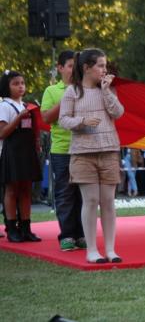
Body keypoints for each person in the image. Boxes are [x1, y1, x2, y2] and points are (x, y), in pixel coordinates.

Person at [58, 49, 124, 262]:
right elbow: (63, 120)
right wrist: (82, 122)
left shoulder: (109, 89)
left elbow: (118, 112)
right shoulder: (72, 92)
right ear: (87, 68)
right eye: (101, 66)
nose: (105, 70)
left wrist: (106, 91)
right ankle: (92, 251)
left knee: (108, 201)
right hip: (83, 153)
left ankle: (111, 250)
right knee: (91, 200)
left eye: (105, 66)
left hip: (109, 150)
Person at [41, 50, 87, 250]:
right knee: (65, 193)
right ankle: (67, 235)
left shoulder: (86, 88)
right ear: (59, 68)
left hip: (85, 148)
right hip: (62, 150)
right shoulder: (51, 91)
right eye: (70, 65)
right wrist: (67, 100)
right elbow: (46, 118)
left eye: (76, 66)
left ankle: (82, 234)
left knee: (84, 194)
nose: (73, 69)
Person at [0, 71, 43, 243]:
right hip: (12, 151)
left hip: (27, 151)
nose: (20, 86)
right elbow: (2, 133)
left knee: (26, 189)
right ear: (6, 87)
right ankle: (11, 228)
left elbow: (33, 128)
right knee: (12, 189)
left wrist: (37, 140)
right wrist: (18, 118)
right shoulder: (5, 106)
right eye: (15, 83)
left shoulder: (27, 105)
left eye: (22, 83)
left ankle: (26, 228)